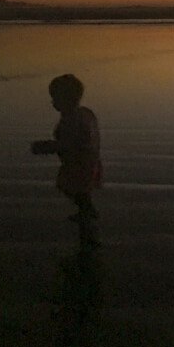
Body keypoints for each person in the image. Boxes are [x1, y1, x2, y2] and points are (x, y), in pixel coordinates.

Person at [31, 74, 102, 240]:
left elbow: (67, 143)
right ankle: (86, 210)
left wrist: (46, 147)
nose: (53, 103)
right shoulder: (85, 113)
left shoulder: (72, 119)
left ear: (67, 99)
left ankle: (86, 212)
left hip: (78, 163)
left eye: (55, 98)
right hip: (89, 161)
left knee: (73, 188)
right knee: (80, 190)